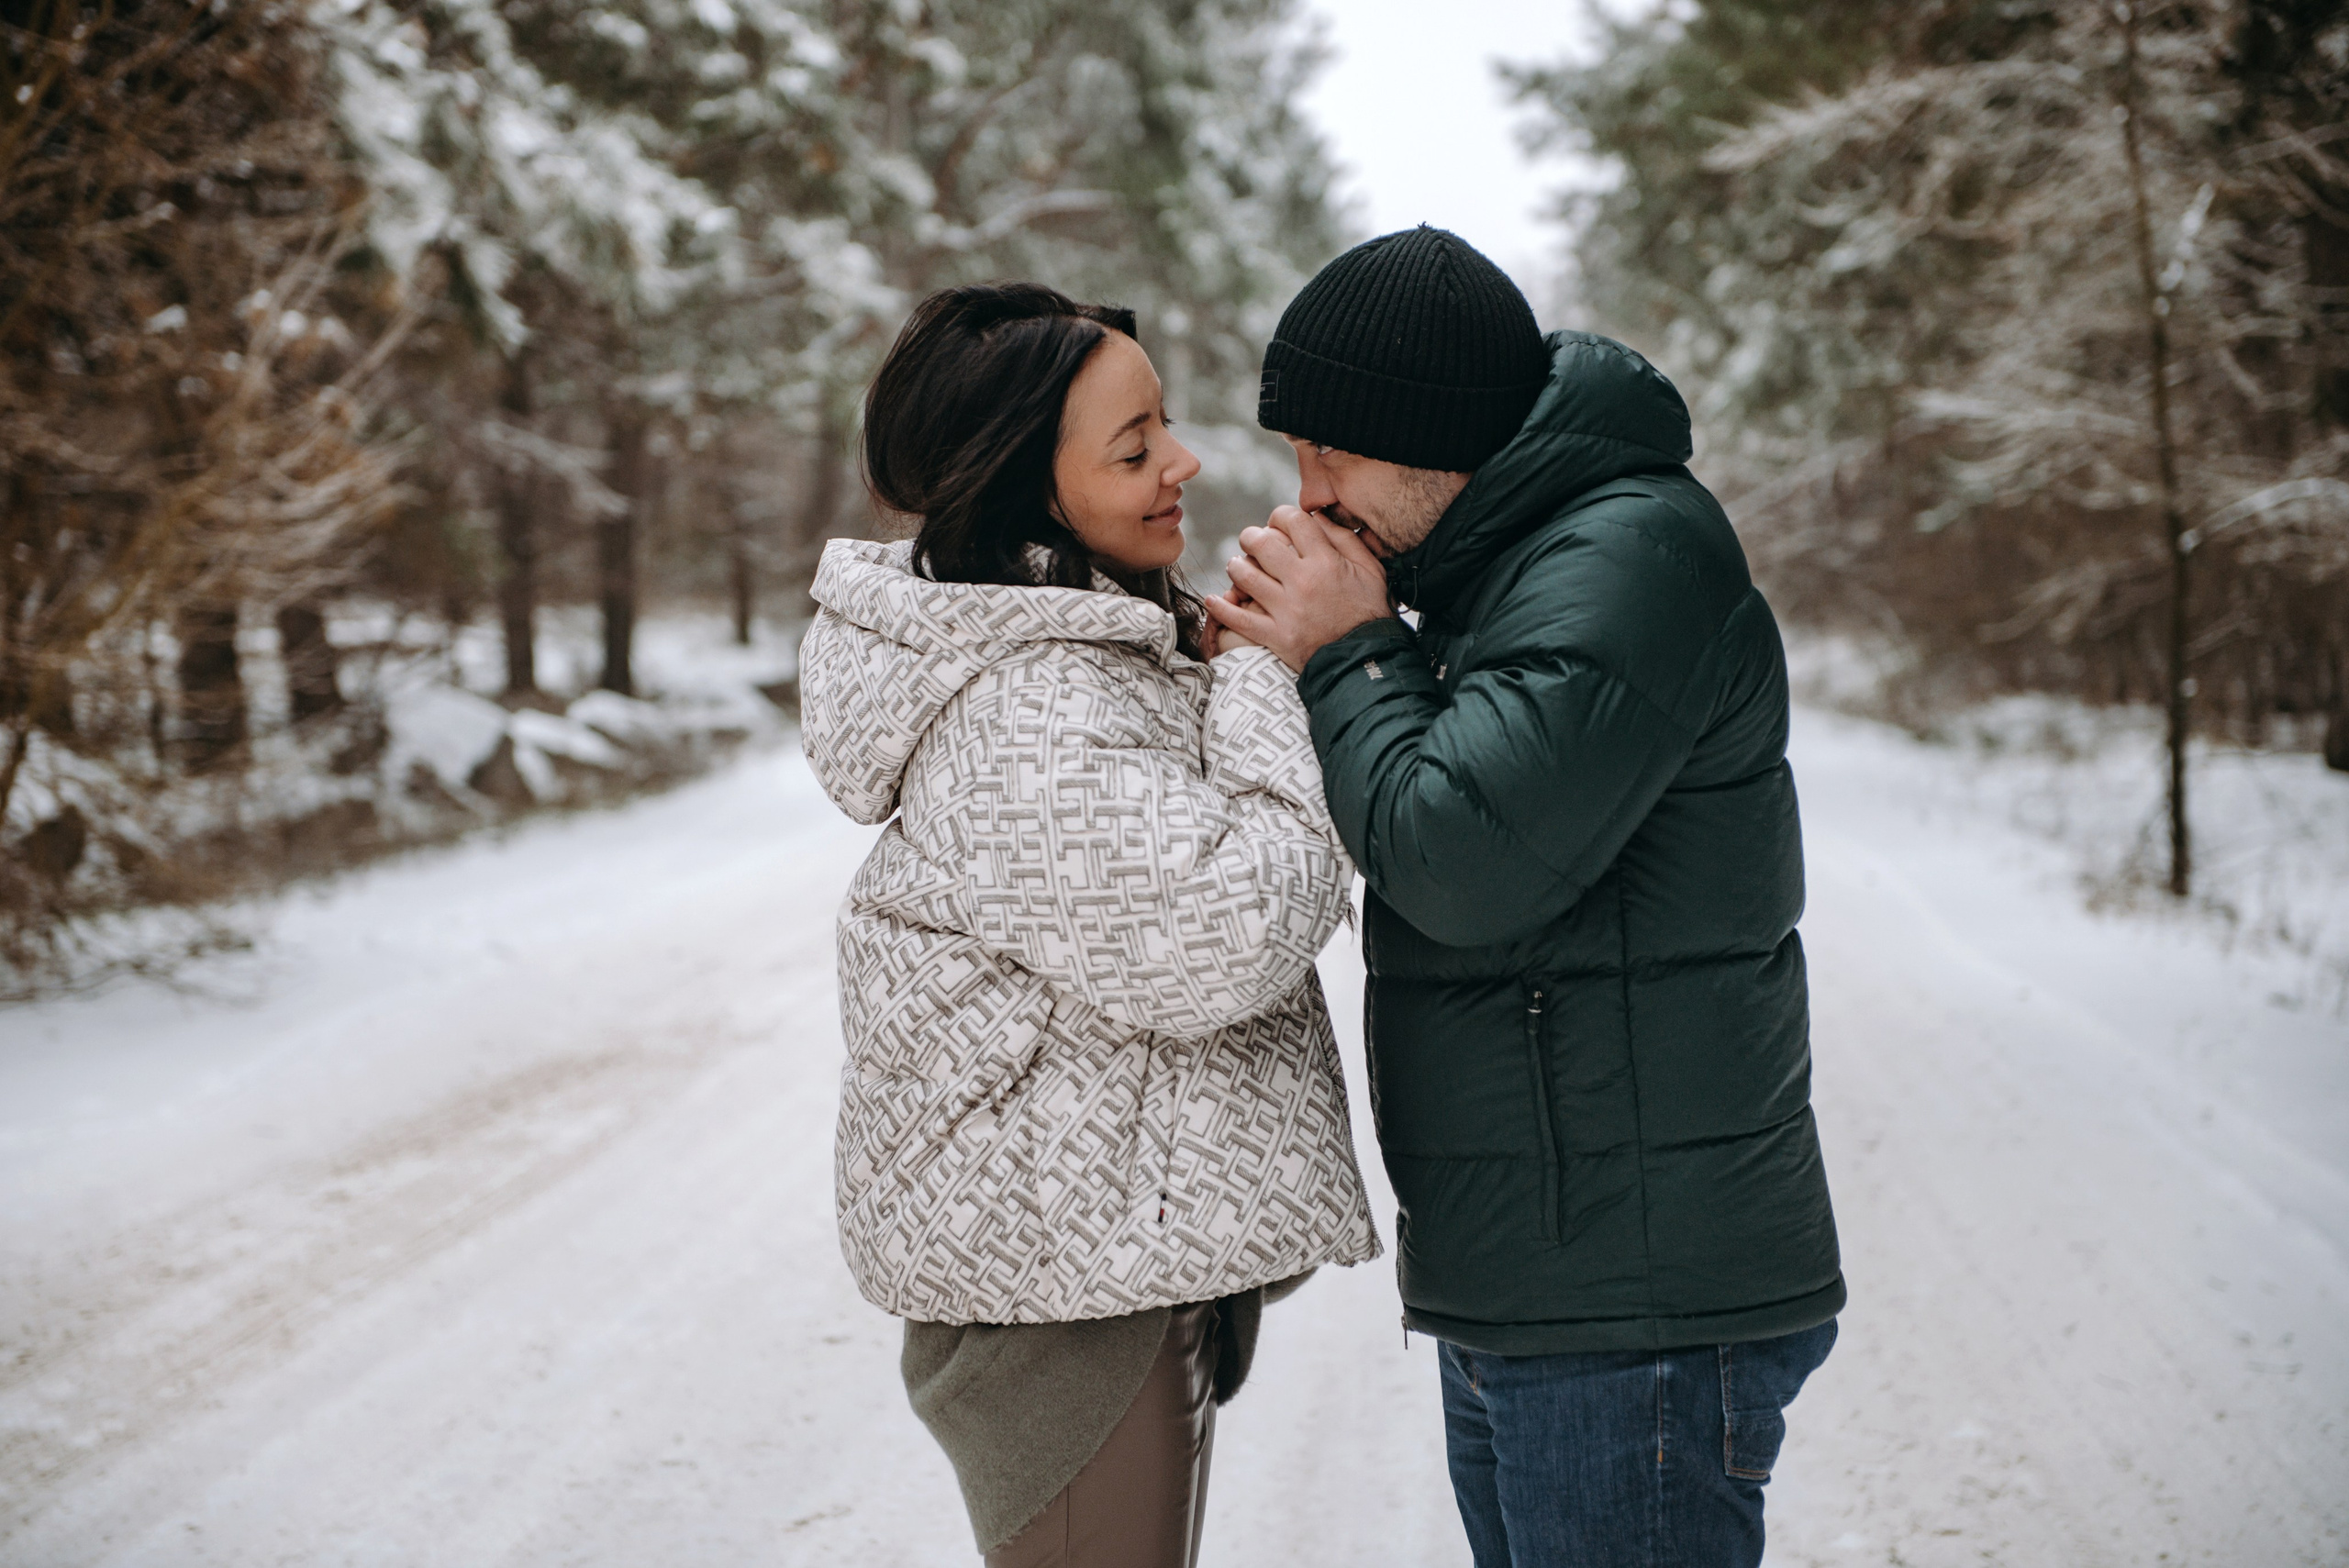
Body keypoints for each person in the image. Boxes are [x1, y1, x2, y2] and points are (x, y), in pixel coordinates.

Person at [1206, 226, 1844, 1568]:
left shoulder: (1626, 557)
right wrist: (1304, 658)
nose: (1309, 498)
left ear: (1434, 440)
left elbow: (1456, 853)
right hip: (1553, 1283)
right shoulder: (1501, 570)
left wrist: (1350, 656)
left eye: (1331, 455)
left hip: (1637, 1305)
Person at [796, 283, 1379, 1568]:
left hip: (1097, 1271)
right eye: (1134, 446)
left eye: (1162, 421)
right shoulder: (1030, 711)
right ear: (1024, 486)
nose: (1184, 459)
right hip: (1065, 1306)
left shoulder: (1085, 655)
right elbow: (1229, 929)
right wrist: (1268, 685)